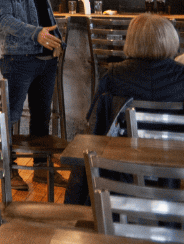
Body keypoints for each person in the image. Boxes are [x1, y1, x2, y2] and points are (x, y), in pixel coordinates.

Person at [63, 14, 184, 204]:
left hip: (121, 174)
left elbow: (94, 121)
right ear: (170, 39)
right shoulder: (181, 77)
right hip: (172, 174)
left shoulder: (114, 75)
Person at [0, 0, 63, 191]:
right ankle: (9, 171)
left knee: (42, 117)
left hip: (46, 59)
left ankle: (43, 170)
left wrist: (57, 42)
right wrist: (37, 34)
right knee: (11, 117)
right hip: (19, 58)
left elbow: (47, 14)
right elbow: (3, 20)